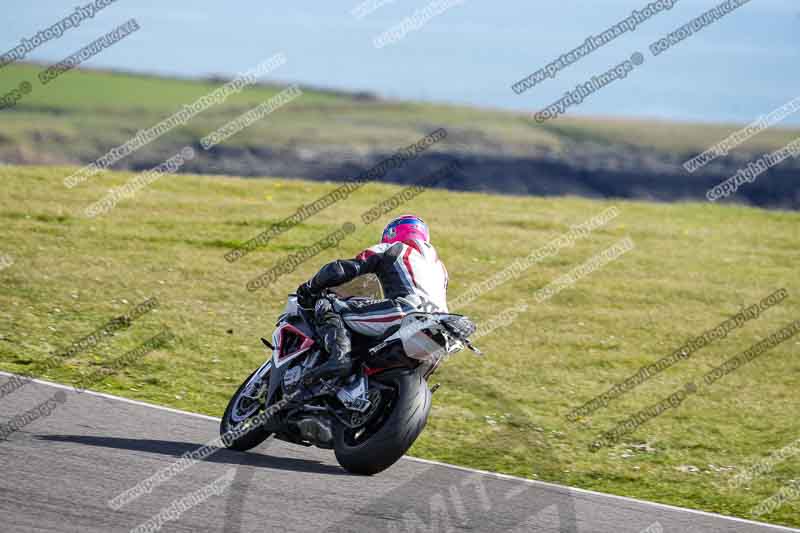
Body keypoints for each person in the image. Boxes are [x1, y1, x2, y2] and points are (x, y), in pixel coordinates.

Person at [296, 215, 448, 382]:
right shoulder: (440, 267)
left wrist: (310, 287)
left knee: (330, 305)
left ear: (392, 233)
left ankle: (339, 359)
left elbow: (340, 270)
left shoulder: (393, 247)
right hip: (439, 326)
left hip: (406, 312)